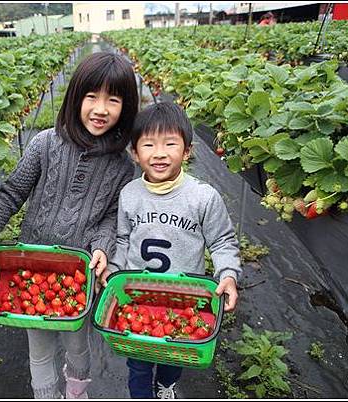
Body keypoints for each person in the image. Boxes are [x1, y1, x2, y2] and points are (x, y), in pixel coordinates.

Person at [0, 51, 139, 399]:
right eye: (92, 96)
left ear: (126, 108)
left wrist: (102, 248)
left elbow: (111, 216)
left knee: (78, 344)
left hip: (79, 273)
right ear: (76, 97)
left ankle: (76, 393)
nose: (100, 108)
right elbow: (12, 191)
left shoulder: (122, 167)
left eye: (113, 99)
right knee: (40, 349)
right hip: (32, 266)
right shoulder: (45, 143)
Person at [96, 101, 242, 399]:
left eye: (170, 144)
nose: (159, 153)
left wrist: (228, 273)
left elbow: (222, 241)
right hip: (139, 296)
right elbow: (123, 240)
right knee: (138, 362)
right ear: (135, 153)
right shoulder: (130, 194)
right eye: (148, 145)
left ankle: (166, 386)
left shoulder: (203, 198)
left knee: (175, 356)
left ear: (187, 150)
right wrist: (112, 269)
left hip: (186, 300)